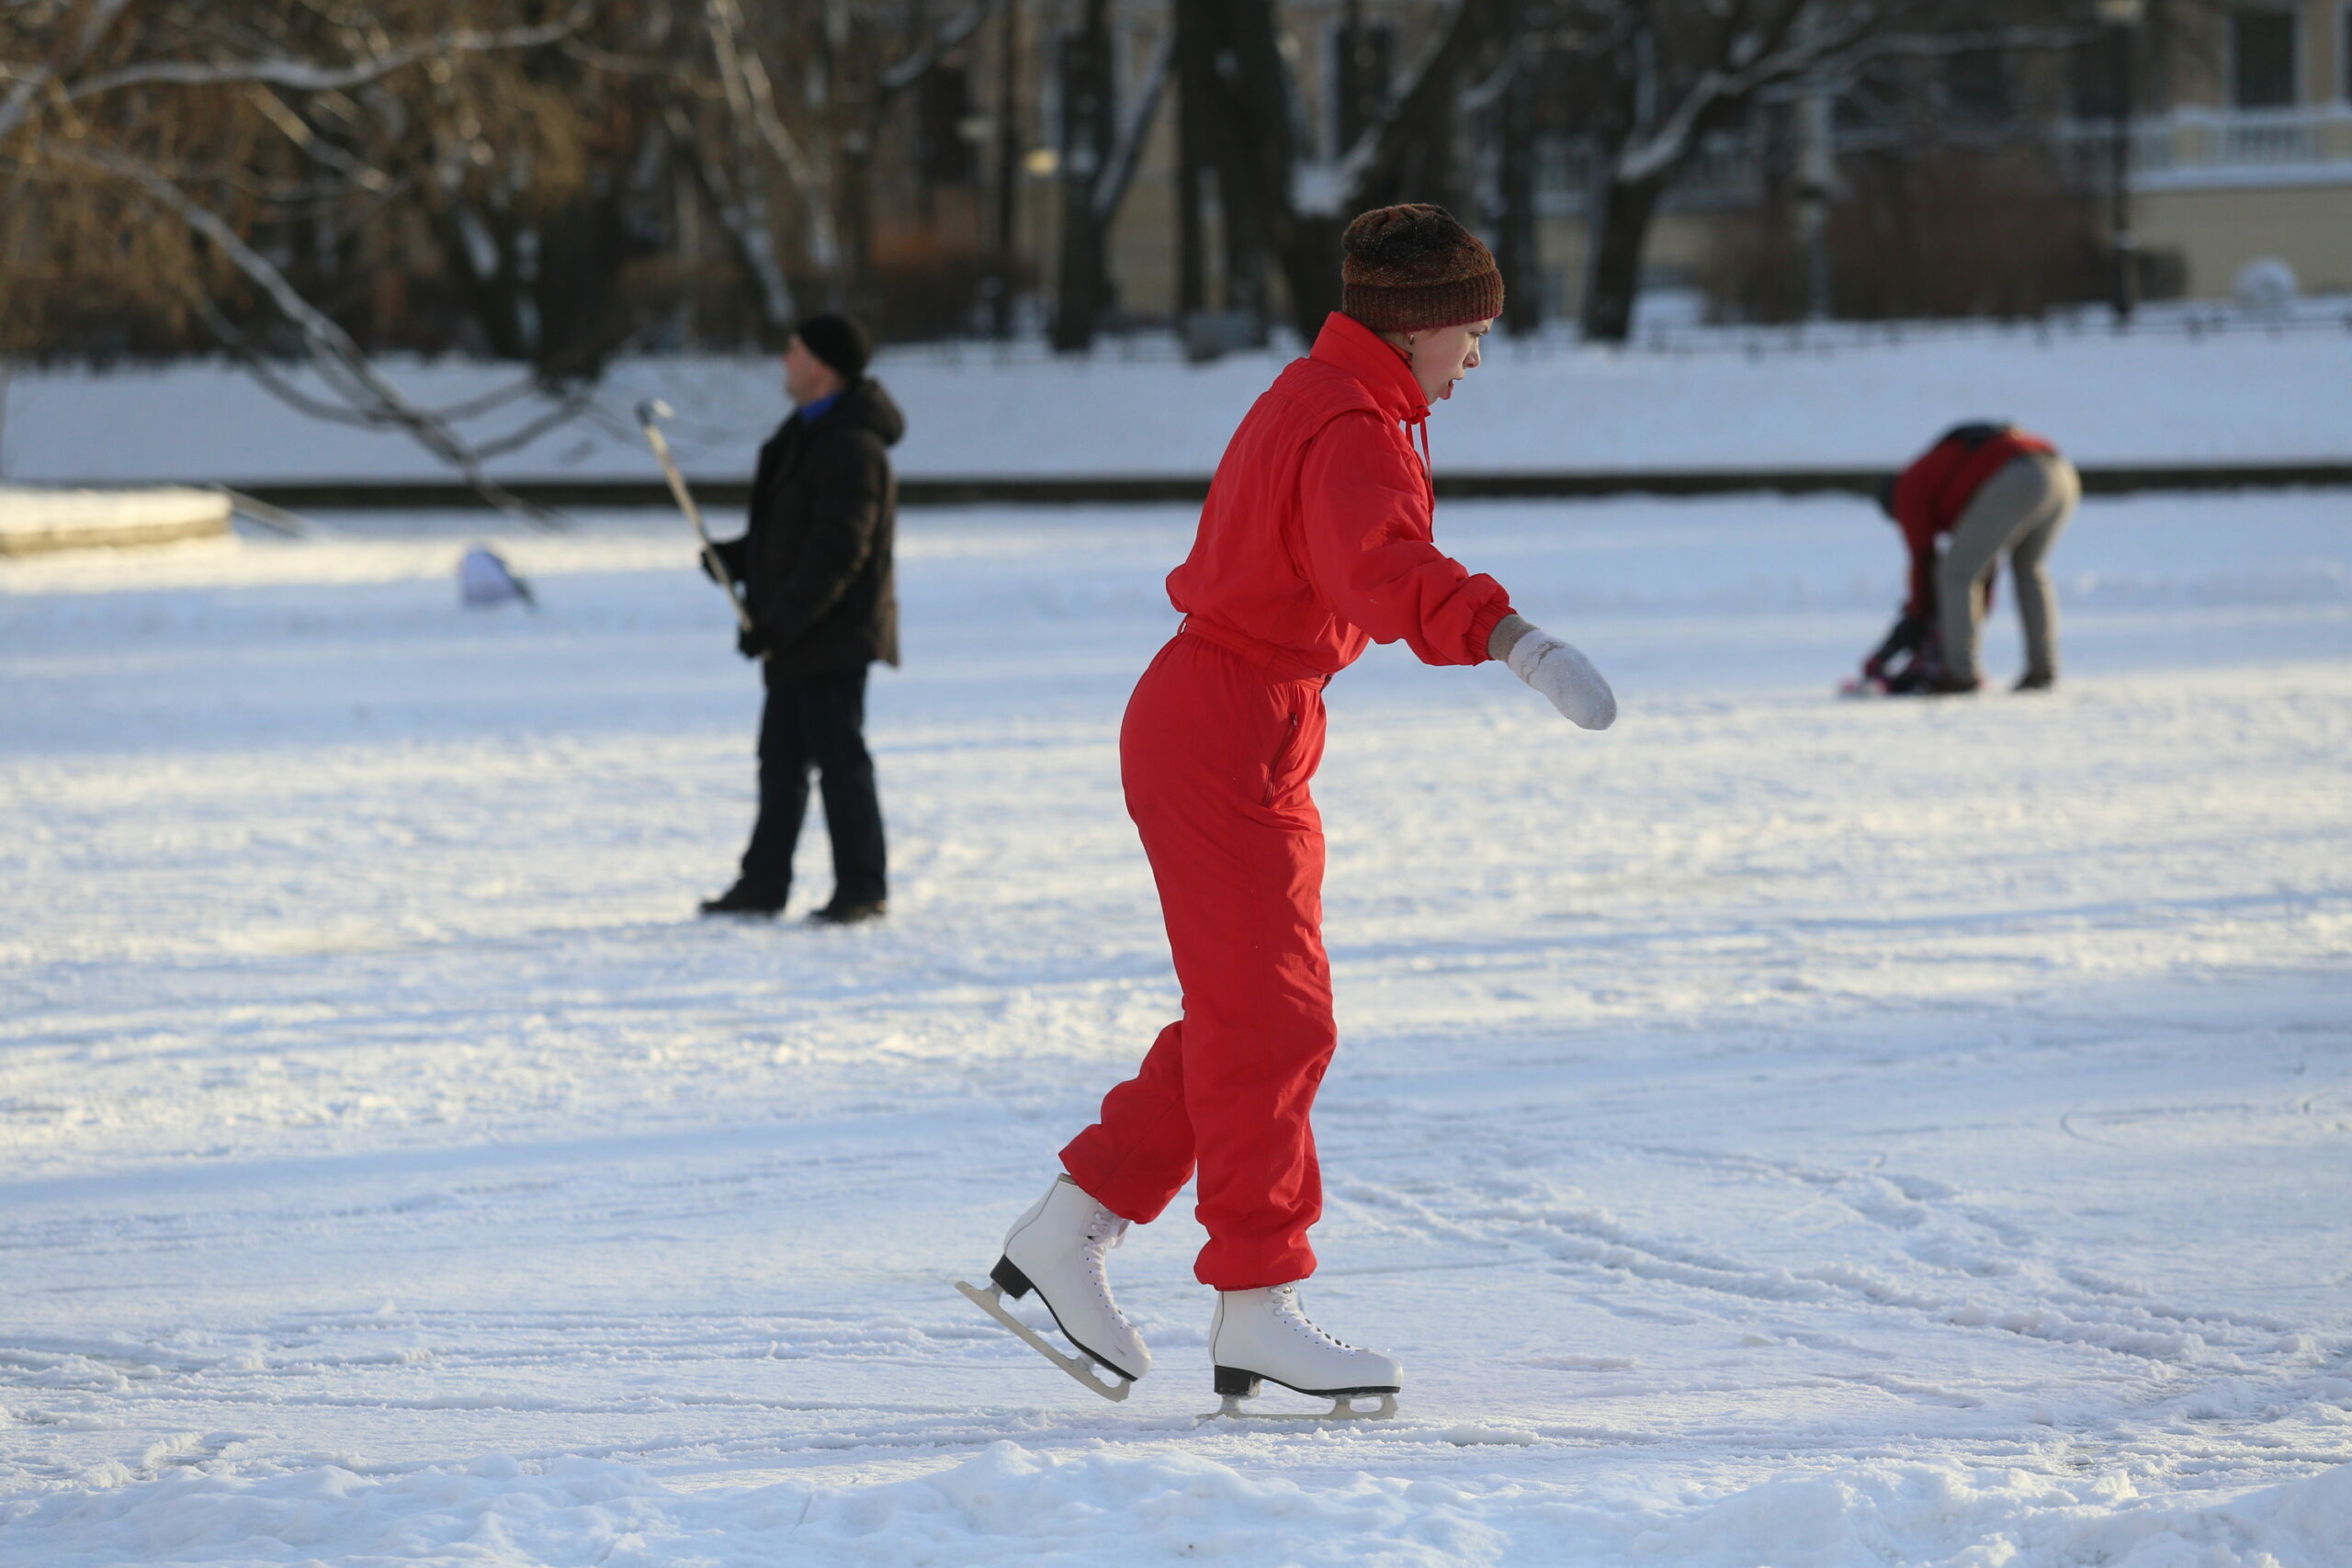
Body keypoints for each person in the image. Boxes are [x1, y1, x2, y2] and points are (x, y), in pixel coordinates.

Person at [966, 205, 1615, 1413]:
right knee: (1274, 1021)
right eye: (1470, 330)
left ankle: (1069, 1225)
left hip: (1239, 715)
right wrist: (1511, 634)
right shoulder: (1349, 424)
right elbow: (1379, 567)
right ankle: (1256, 1301)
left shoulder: (1334, 395)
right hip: (1223, 724)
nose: (1475, 355)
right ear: (1417, 325)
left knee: (1247, 1017)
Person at [699, 313, 903, 924]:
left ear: (822, 366)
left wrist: (777, 620)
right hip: (797, 632)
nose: (784, 361)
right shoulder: (806, 434)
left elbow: (839, 552)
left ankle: (862, 887)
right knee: (782, 759)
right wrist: (734, 559)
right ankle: (763, 881)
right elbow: (787, 533)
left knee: (840, 759)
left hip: (833, 633)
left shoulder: (852, 446)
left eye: (793, 351)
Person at [1867, 423, 2080, 694]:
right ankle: (2042, 669)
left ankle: (1959, 674)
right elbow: (1983, 569)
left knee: (1954, 573)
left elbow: (1924, 560)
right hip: (2061, 473)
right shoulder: (1941, 476)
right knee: (2030, 570)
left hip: (2017, 475)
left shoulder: (1907, 488)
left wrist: (1916, 618)